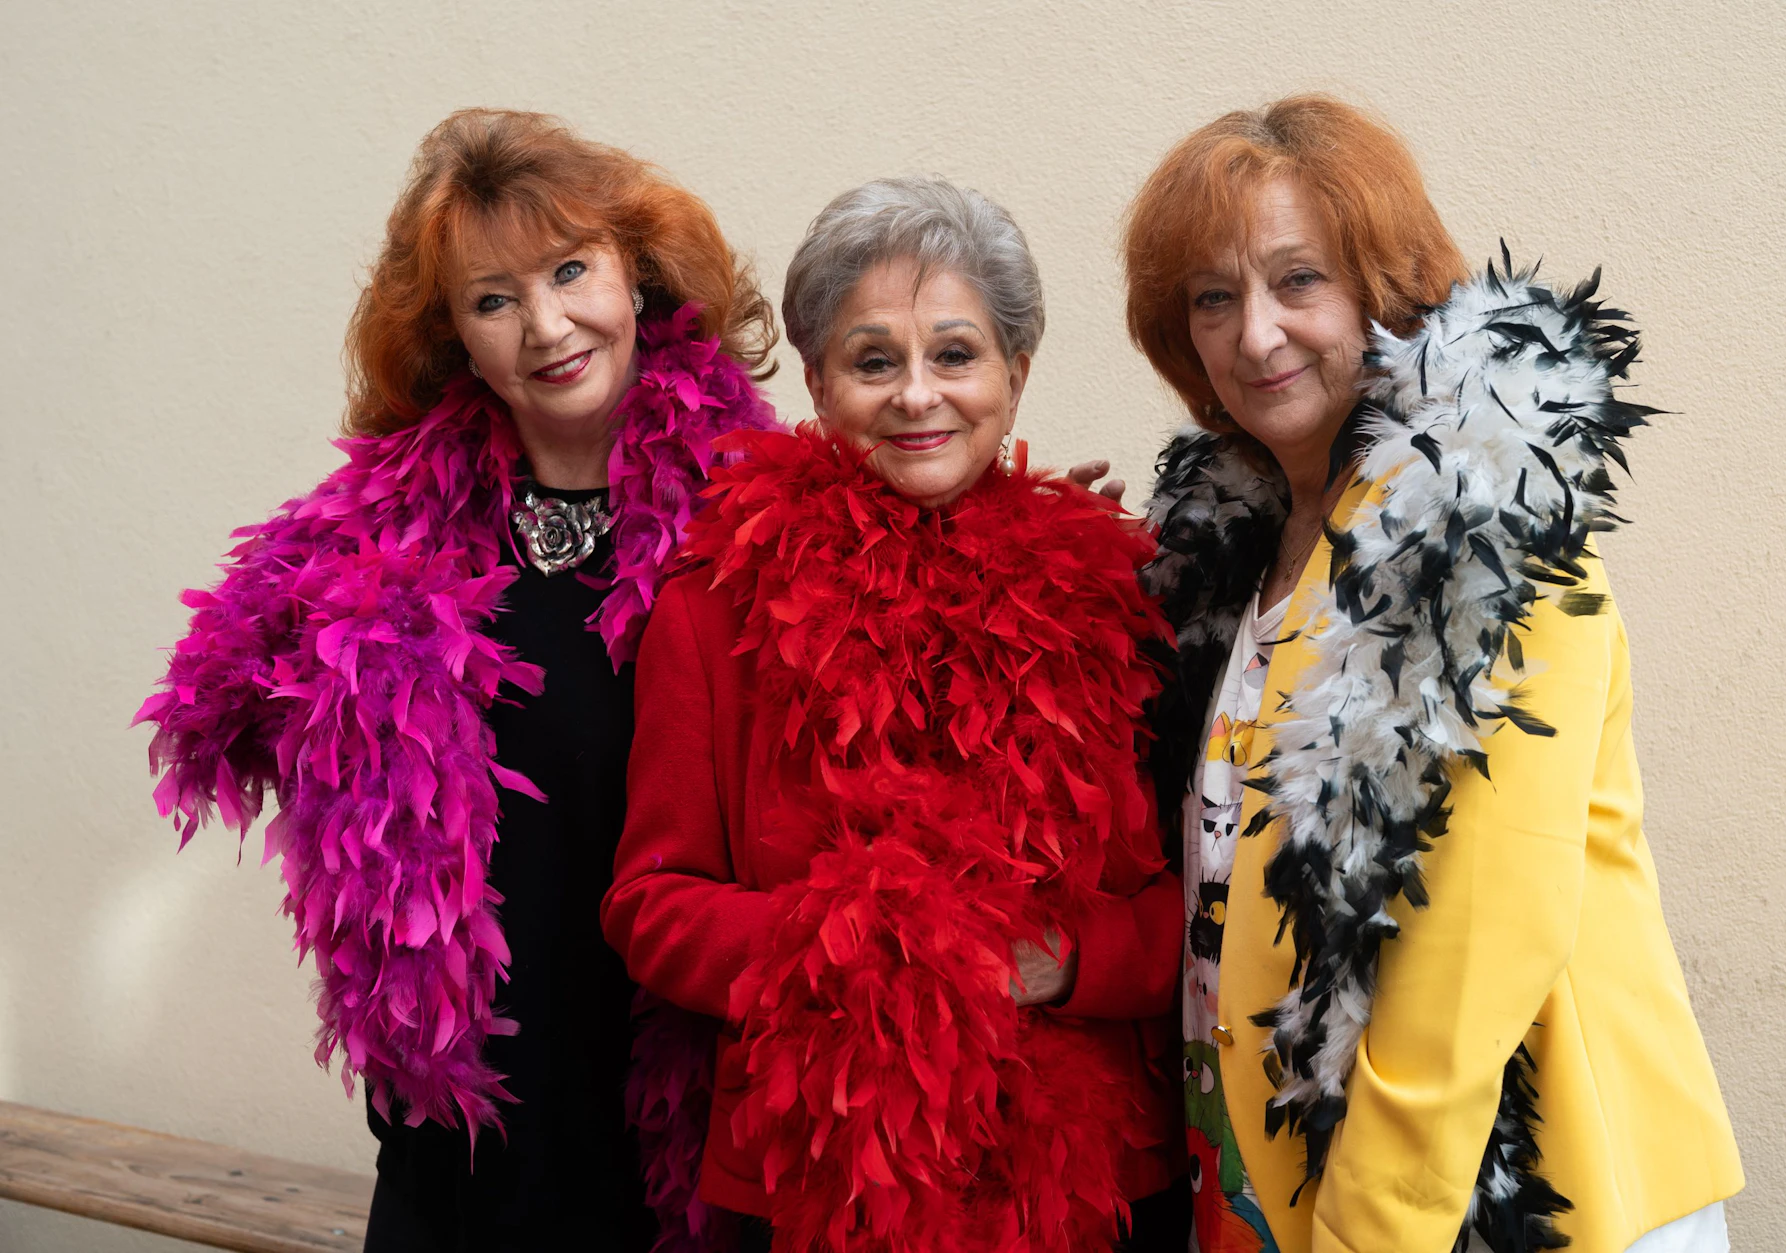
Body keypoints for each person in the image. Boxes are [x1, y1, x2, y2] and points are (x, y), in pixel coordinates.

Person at [135, 109, 778, 1251]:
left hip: (681, 1140)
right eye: (493, 299)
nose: (547, 326)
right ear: (454, 339)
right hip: (460, 1151)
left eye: (570, 270)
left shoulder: (765, 513)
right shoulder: (378, 536)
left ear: (636, 272)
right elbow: (214, 712)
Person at [1125, 96, 1744, 1253]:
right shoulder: (1226, 557)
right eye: (1211, 297)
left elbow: (1471, 951)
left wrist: (1367, 1234)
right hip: (1275, 1186)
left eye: (1297, 280)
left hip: (1500, 1202)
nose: (1254, 334)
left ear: (1384, 287)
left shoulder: (1484, 532)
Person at [603, 176, 1186, 1252]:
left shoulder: (1123, 597)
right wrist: (846, 947)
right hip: (814, 1179)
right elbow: (650, 904)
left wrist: (1070, 957)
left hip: (1080, 1185)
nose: (918, 395)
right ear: (819, 384)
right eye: (874, 361)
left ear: (1015, 375)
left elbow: (1191, 901)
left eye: (955, 354)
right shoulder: (709, 610)